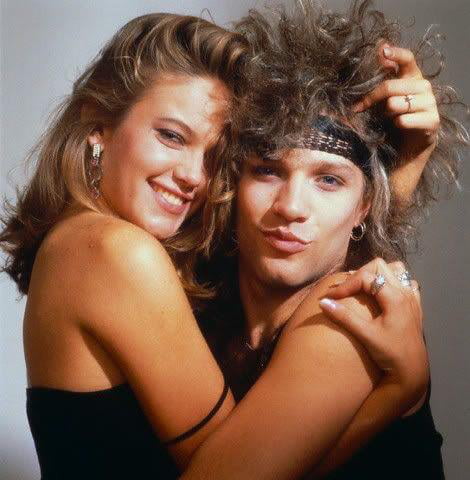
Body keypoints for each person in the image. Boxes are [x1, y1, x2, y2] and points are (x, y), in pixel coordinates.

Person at [0, 3, 462, 479]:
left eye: (329, 181)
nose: (192, 176)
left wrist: (403, 168)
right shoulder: (115, 252)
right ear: (99, 125)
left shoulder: (328, 309)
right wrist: (397, 394)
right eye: (171, 135)